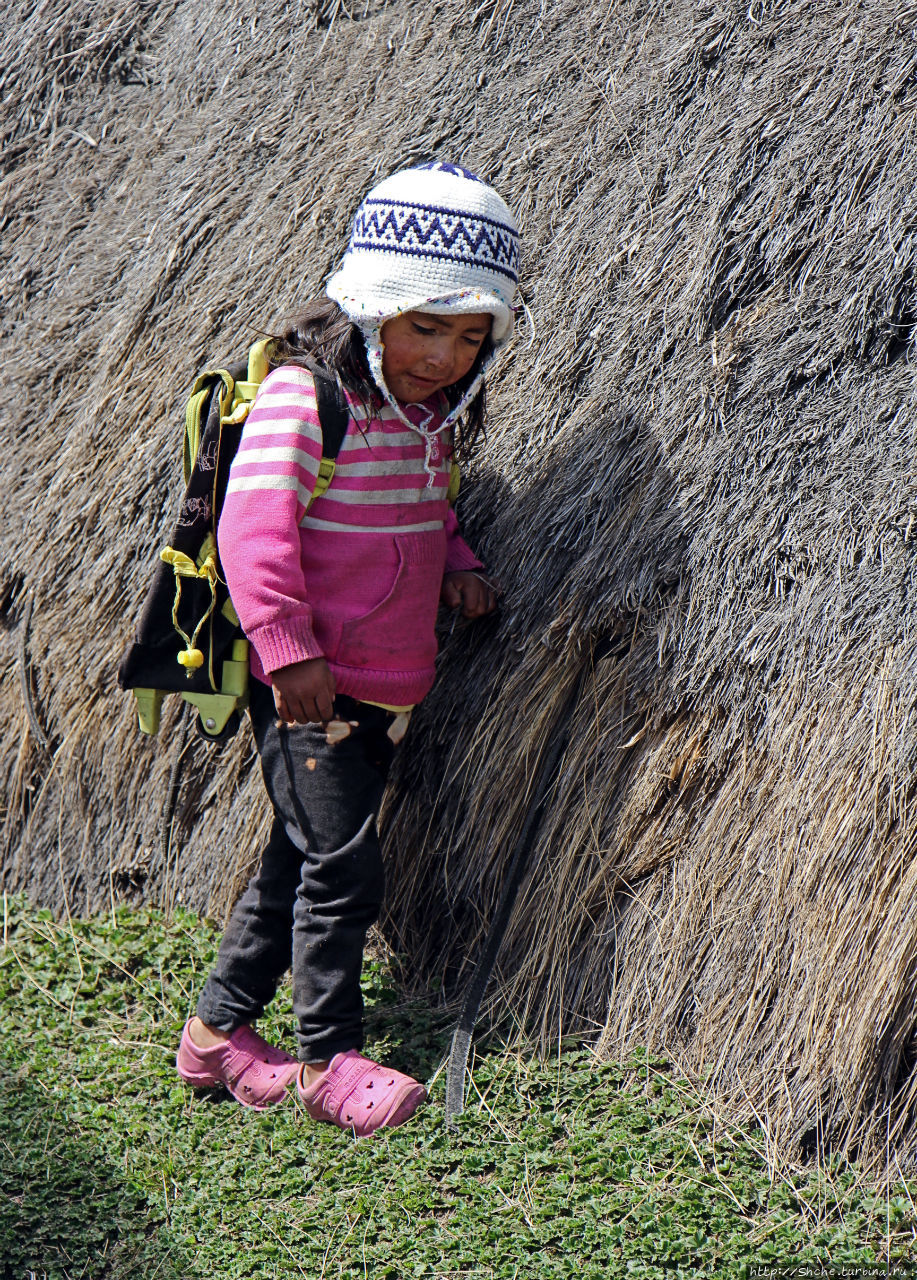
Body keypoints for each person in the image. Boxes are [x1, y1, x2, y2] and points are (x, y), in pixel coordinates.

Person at [174, 162, 521, 1136]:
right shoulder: (306, 396)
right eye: (423, 324)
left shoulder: (423, 421)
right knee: (343, 865)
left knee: (297, 858)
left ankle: (215, 1035)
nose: (444, 354)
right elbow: (254, 529)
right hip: (307, 689)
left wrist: (453, 559)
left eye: (469, 335)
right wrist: (287, 652)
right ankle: (328, 1057)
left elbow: (424, 507)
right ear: (369, 304)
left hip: (372, 690)